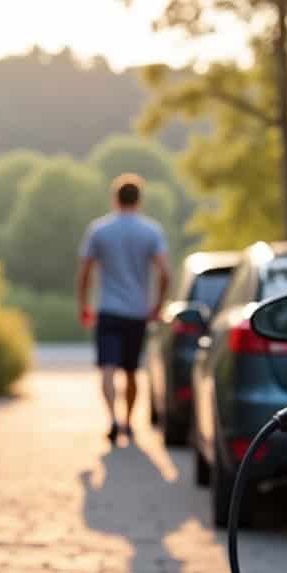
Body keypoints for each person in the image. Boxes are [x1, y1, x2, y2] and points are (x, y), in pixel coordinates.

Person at [77, 173, 171, 444]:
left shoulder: (99, 230)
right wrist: (158, 306)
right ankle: (128, 422)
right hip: (137, 312)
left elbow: (84, 272)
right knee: (131, 371)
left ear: (115, 199)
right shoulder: (151, 231)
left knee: (107, 368)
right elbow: (165, 273)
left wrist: (84, 305)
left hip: (107, 309)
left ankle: (112, 420)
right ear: (139, 200)